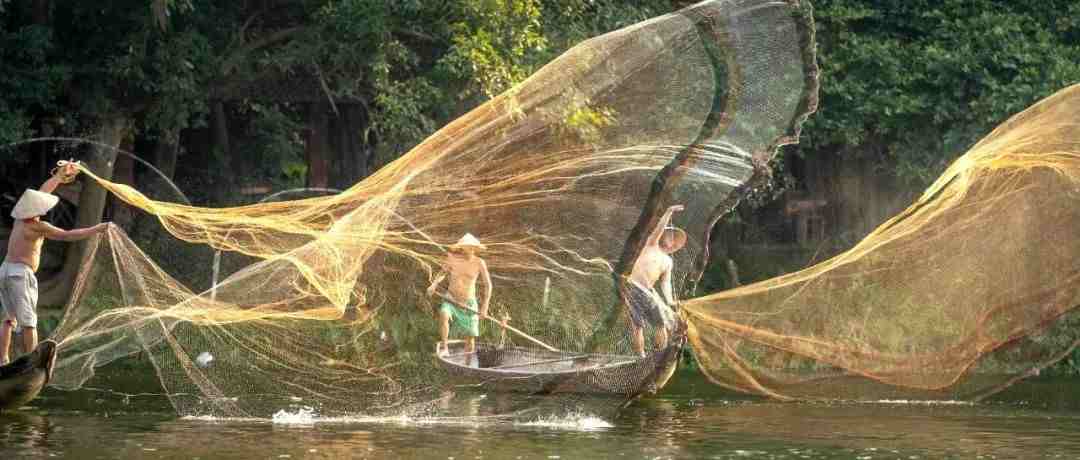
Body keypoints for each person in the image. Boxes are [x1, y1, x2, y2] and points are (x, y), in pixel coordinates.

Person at [1, 162, 110, 365]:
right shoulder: (38, 226)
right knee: (29, 322)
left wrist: (59, 178)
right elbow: (67, 235)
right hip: (19, 274)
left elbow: (42, 192)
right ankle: (31, 363)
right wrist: (97, 229)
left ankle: (3, 360)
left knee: (9, 319)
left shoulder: (19, 220)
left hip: (6, 270)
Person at [624, 204, 686, 357]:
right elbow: (659, 228)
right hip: (633, 287)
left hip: (649, 292)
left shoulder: (668, 261)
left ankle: (660, 355)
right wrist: (668, 211)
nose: (670, 239)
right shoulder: (651, 245)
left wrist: (670, 300)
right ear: (663, 237)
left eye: (672, 238)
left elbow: (666, 283)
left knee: (660, 323)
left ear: (675, 244)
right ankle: (641, 355)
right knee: (637, 325)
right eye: (668, 235)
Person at [426, 233, 492, 358]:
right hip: (451, 298)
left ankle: (467, 364)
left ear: (474, 248)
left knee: (470, 337)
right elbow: (442, 273)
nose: (468, 249)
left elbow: (488, 285)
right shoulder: (452, 259)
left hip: (469, 302)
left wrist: (485, 307)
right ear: (461, 247)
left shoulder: (479, 263)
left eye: (471, 247)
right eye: (466, 247)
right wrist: (433, 285)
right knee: (444, 314)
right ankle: (445, 348)